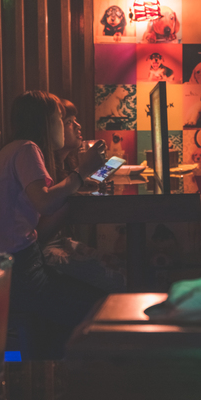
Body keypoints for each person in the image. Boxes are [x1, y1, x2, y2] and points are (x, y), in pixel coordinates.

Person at [0, 91, 108, 358]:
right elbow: (44, 202)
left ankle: (51, 365)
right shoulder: (27, 148)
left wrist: (74, 185)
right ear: (45, 122)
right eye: (60, 118)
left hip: (11, 268)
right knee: (101, 307)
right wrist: (82, 171)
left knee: (73, 309)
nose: (65, 124)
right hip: (21, 272)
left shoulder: (13, 149)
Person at [41, 99, 126, 293]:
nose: (78, 125)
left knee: (121, 265)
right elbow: (42, 230)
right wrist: (79, 182)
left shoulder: (66, 168)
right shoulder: (43, 170)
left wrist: (82, 183)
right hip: (45, 249)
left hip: (59, 242)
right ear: (52, 128)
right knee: (118, 277)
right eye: (69, 121)